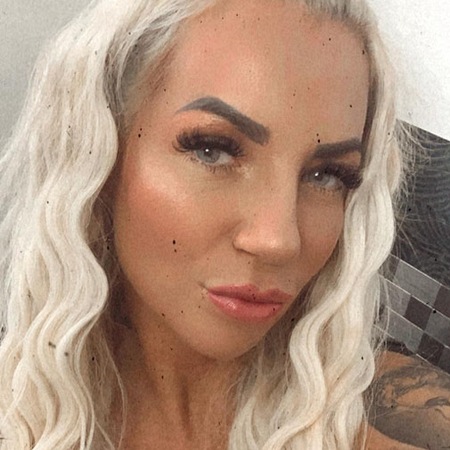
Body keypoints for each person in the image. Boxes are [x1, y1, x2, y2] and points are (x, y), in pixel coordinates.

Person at [1, 0, 442, 448]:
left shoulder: (386, 415)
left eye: (326, 175)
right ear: (100, 156)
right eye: (213, 150)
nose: (278, 240)